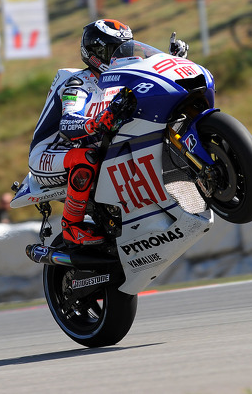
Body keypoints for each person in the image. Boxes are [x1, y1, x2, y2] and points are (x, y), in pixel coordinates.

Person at [27, 19, 189, 245]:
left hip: (88, 143)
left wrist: (174, 61)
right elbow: (68, 124)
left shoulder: (118, 79)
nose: (120, 57)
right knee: (87, 158)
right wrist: (95, 124)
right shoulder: (78, 83)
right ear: (94, 53)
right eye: (112, 51)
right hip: (51, 153)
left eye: (125, 49)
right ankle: (71, 226)